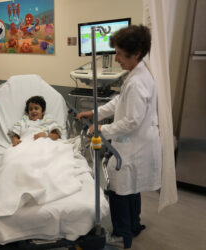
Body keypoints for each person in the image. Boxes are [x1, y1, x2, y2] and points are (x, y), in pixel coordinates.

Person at [76, 25, 161, 249]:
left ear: (136, 54)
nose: (116, 59)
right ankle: (133, 225)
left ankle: (123, 235)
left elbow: (132, 120)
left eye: (120, 54)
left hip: (134, 144)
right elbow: (118, 102)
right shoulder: (138, 73)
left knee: (118, 188)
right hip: (138, 142)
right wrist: (94, 113)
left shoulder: (137, 82)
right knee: (132, 187)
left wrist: (103, 129)